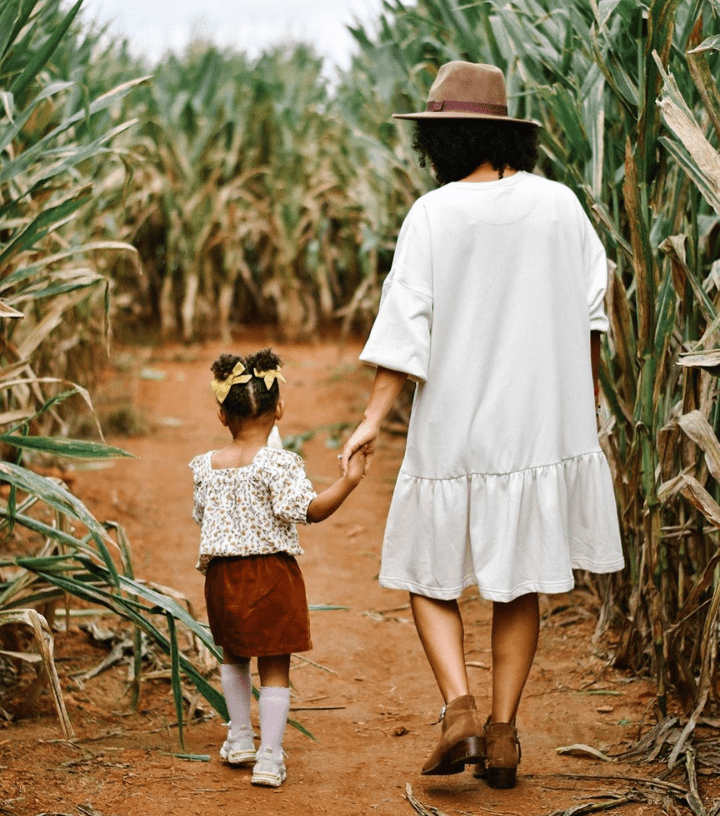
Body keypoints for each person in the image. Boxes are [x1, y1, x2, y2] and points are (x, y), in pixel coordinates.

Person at [340, 61, 624, 789]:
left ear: (443, 140)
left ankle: (459, 710)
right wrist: (585, 407)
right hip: (538, 428)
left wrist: (372, 419)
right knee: (518, 581)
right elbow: (594, 311)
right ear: (502, 134)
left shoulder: (432, 215)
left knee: (425, 573)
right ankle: (502, 734)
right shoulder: (560, 206)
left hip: (456, 428)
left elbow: (406, 329)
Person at [191, 348, 366, 788]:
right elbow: (308, 510)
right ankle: (269, 757)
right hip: (270, 576)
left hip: (222, 578)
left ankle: (239, 736)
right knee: (274, 666)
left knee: (233, 655)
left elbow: (202, 515)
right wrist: (348, 481)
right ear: (279, 409)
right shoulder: (279, 463)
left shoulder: (205, 466)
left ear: (221, 415)